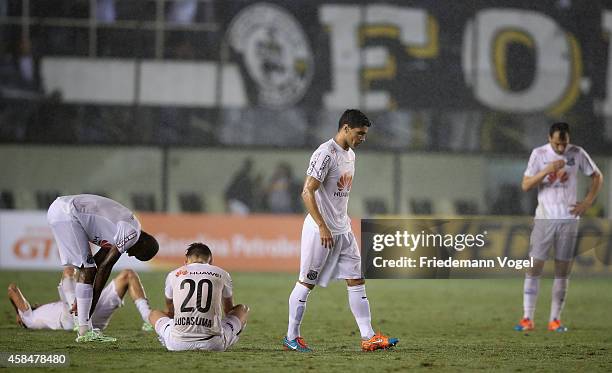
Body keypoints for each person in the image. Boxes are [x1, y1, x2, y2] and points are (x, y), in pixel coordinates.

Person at [283, 109, 398, 352]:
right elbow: (307, 191)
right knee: (306, 283)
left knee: (356, 279)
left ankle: (368, 336)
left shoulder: (351, 155)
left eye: (365, 134)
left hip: (343, 229)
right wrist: (323, 226)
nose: (363, 138)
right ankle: (292, 337)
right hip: (320, 231)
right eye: (360, 133)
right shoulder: (325, 154)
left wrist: (337, 224)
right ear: (346, 128)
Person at [515, 122, 603, 332]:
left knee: (562, 271)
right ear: (549, 139)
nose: (562, 148)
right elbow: (526, 185)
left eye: (564, 143)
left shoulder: (578, 153)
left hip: (569, 220)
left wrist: (587, 202)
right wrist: (546, 170)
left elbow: (597, 176)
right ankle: (527, 318)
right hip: (544, 218)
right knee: (534, 267)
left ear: (568, 140)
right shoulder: (539, 154)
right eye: (557, 144)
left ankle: (555, 320)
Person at [46, 194, 159, 342]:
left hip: (60, 210)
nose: (131, 255)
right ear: (143, 244)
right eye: (138, 254)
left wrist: (82, 301)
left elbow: (99, 262)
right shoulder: (132, 232)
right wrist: (91, 305)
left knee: (87, 267)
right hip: (68, 212)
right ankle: (84, 330)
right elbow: (105, 268)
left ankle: (85, 327)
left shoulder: (119, 232)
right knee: (89, 269)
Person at [149, 242, 249, 351]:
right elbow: (228, 309)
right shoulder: (222, 274)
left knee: (153, 314)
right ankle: (230, 337)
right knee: (242, 309)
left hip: (177, 343)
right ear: (211, 261)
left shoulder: (173, 274)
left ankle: (167, 338)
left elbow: (170, 311)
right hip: (213, 343)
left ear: (186, 261)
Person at [8, 267, 154, 332]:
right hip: (70, 319)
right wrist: (18, 312)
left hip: (90, 315)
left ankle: (148, 319)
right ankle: (81, 322)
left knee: (128, 274)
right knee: (68, 271)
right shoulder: (28, 318)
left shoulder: (36, 315)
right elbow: (12, 289)